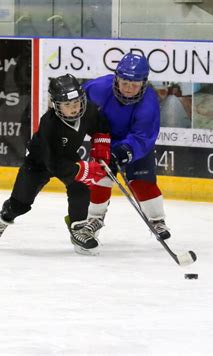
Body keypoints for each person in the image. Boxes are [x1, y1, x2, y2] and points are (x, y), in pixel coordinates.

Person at [0, 74, 111, 255]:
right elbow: (52, 163)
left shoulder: (89, 111)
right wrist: (84, 169)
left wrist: (101, 149)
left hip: (67, 158)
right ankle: (5, 217)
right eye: (67, 105)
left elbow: (101, 126)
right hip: (39, 163)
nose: (74, 108)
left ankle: (78, 229)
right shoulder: (49, 124)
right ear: (56, 105)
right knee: (20, 204)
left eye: (76, 102)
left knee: (81, 187)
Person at [82, 53, 171, 240]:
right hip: (105, 140)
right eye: (124, 83)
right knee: (100, 177)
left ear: (144, 83)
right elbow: (76, 103)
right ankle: (94, 219)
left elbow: (142, 137)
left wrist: (124, 152)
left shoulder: (149, 103)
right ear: (116, 78)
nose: (129, 89)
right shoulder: (98, 88)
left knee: (142, 182)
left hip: (134, 146)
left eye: (134, 84)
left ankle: (157, 220)